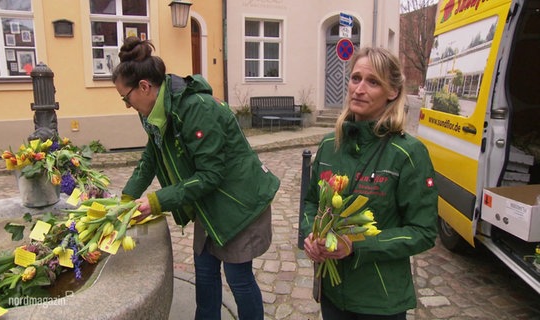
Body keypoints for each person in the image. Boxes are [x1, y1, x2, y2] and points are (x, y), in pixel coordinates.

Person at [112, 36, 280, 320]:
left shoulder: (196, 109)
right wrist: (127, 200)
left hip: (239, 202)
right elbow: (151, 158)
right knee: (205, 274)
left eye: (125, 97)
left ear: (144, 87)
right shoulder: (152, 112)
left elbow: (210, 175)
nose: (126, 105)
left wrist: (156, 201)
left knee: (238, 278)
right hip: (208, 202)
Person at [301, 47, 438, 319]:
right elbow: (310, 202)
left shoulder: (408, 154)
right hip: (331, 295)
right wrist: (312, 234)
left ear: (392, 92)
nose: (359, 89)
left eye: (372, 82)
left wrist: (356, 245)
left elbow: (422, 231)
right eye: (355, 78)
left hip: (380, 300)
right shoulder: (330, 145)